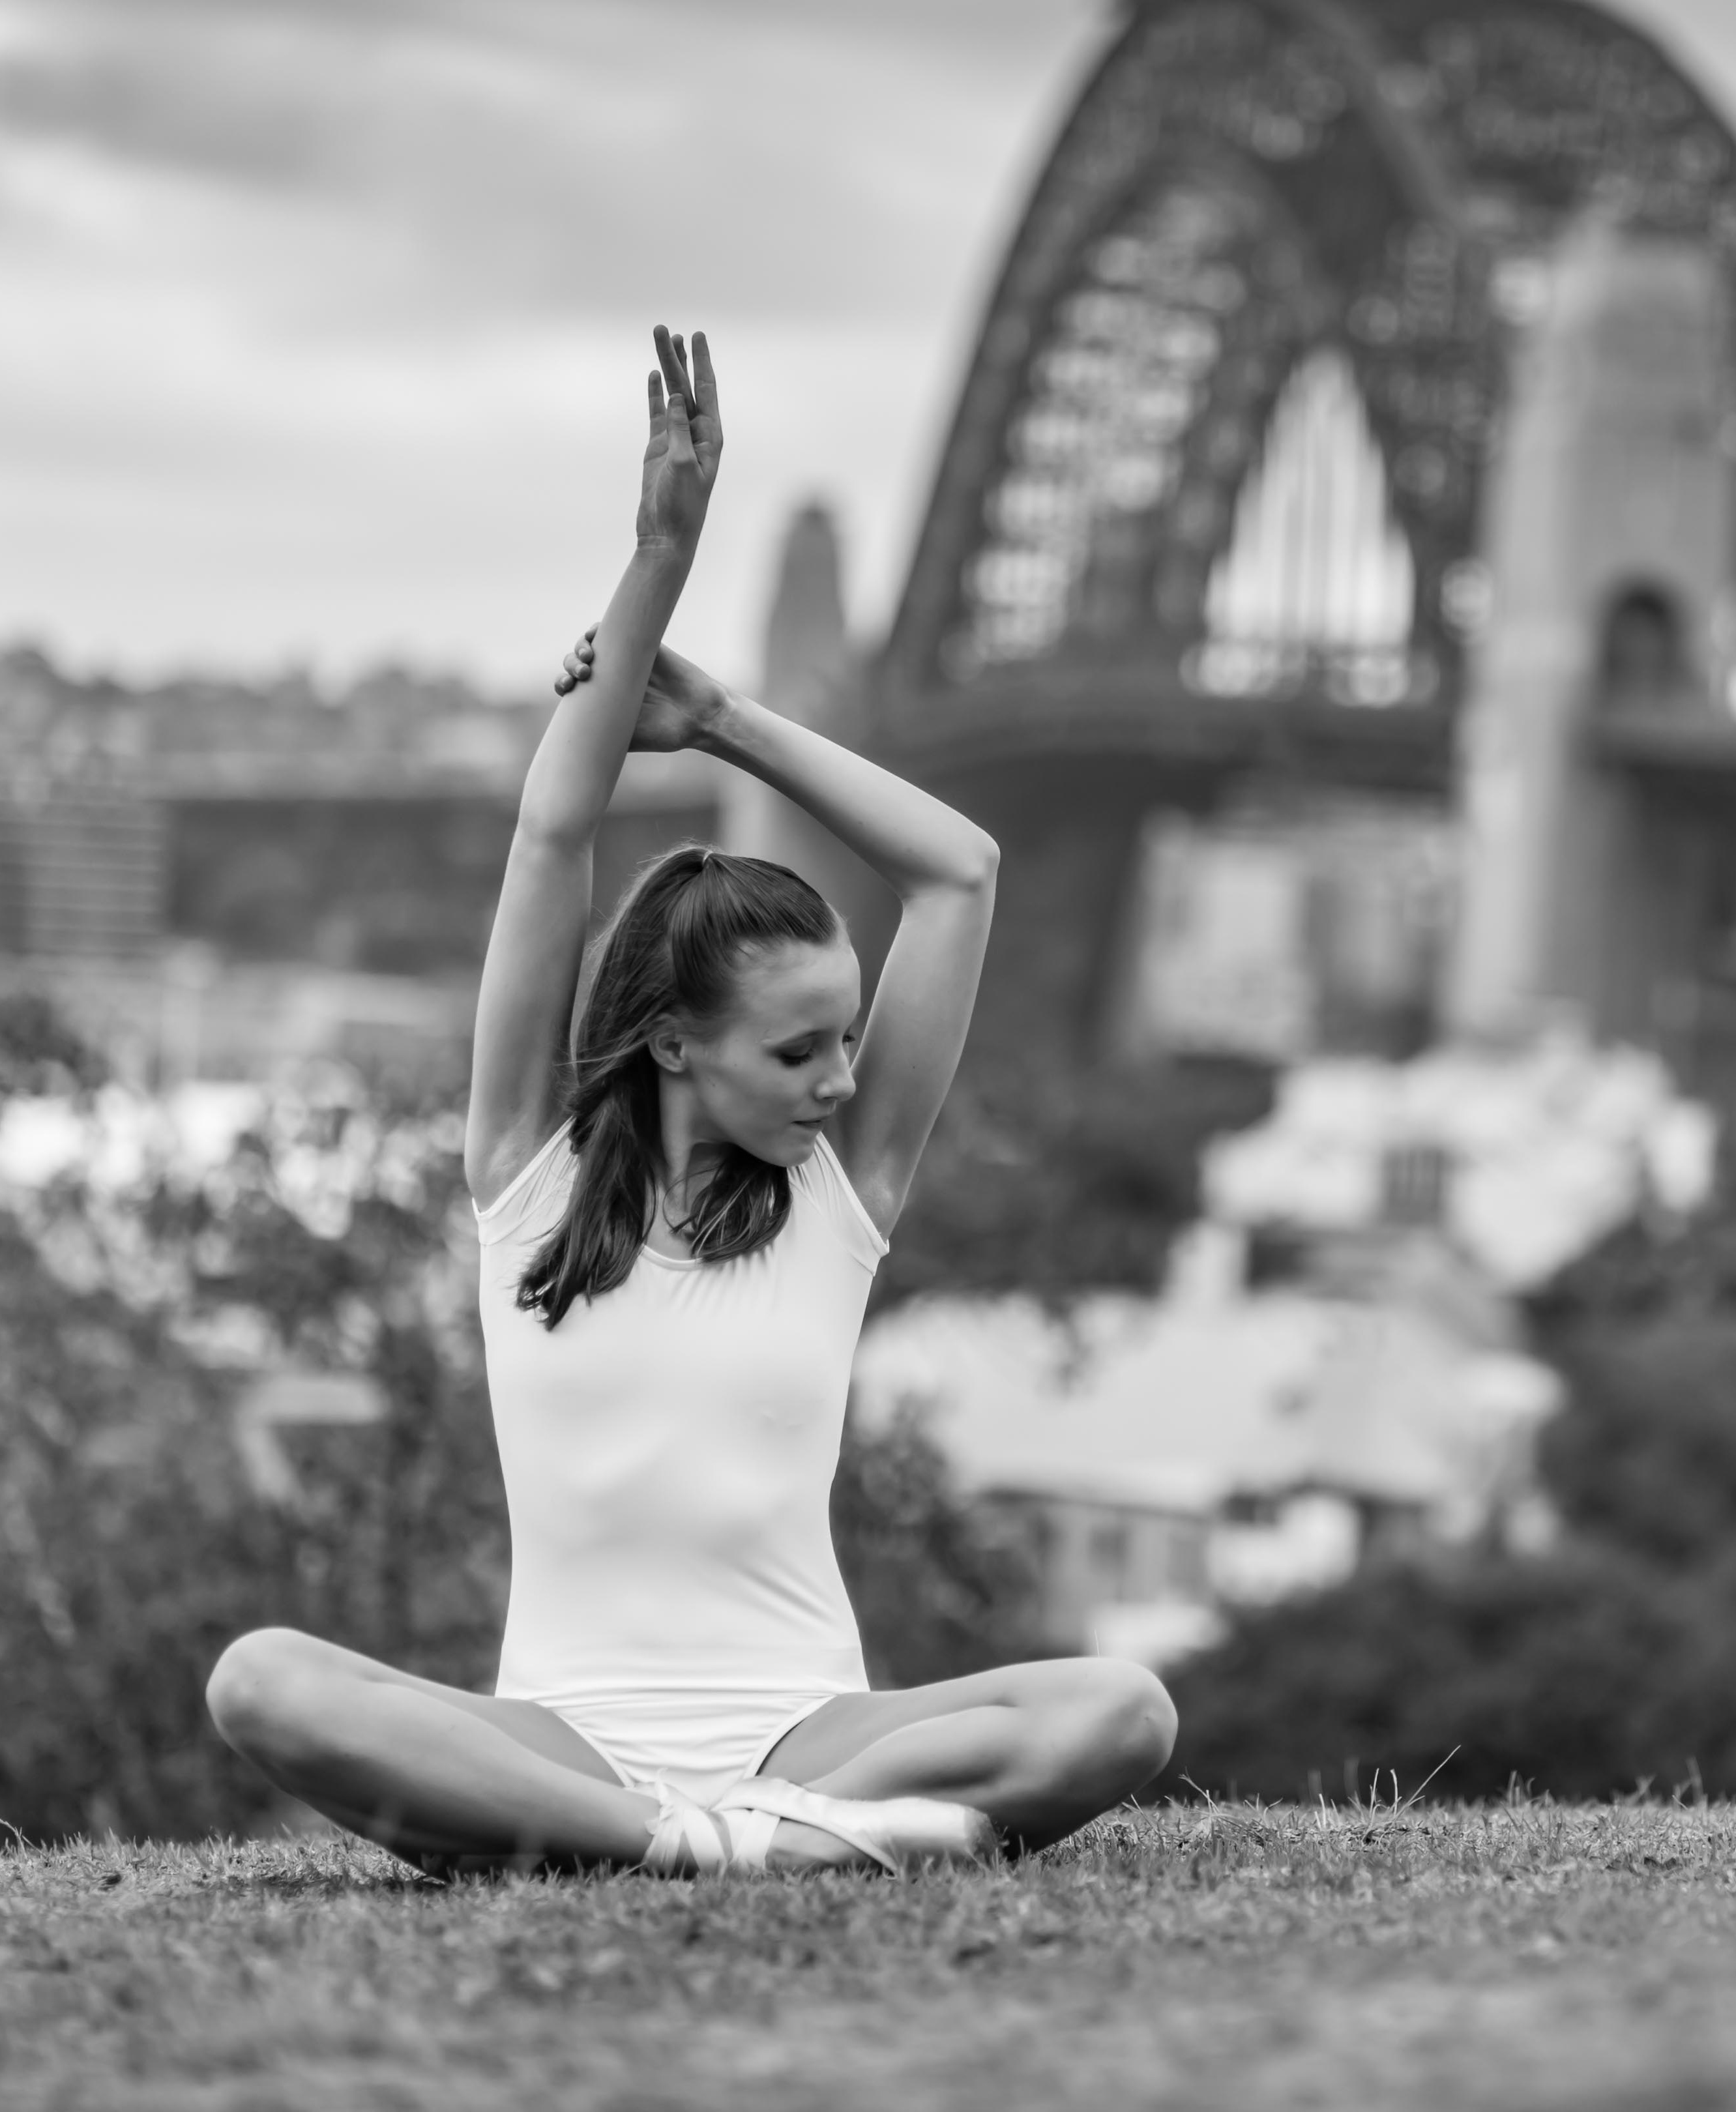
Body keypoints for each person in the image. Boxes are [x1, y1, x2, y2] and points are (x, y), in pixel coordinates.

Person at [207, 328, 1177, 1876]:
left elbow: (961, 870)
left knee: (1122, 1711)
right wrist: (659, 551)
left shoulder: (839, 1196)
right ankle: (713, 1842)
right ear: (670, 1042)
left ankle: (701, 1832)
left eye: (846, 1040)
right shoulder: (520, 1178)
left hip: (815, 1726)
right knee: (260, 1681)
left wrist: (723, 719)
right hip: (565, 1731)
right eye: (800, 1053)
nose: (845, 1079)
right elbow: (550, 841)